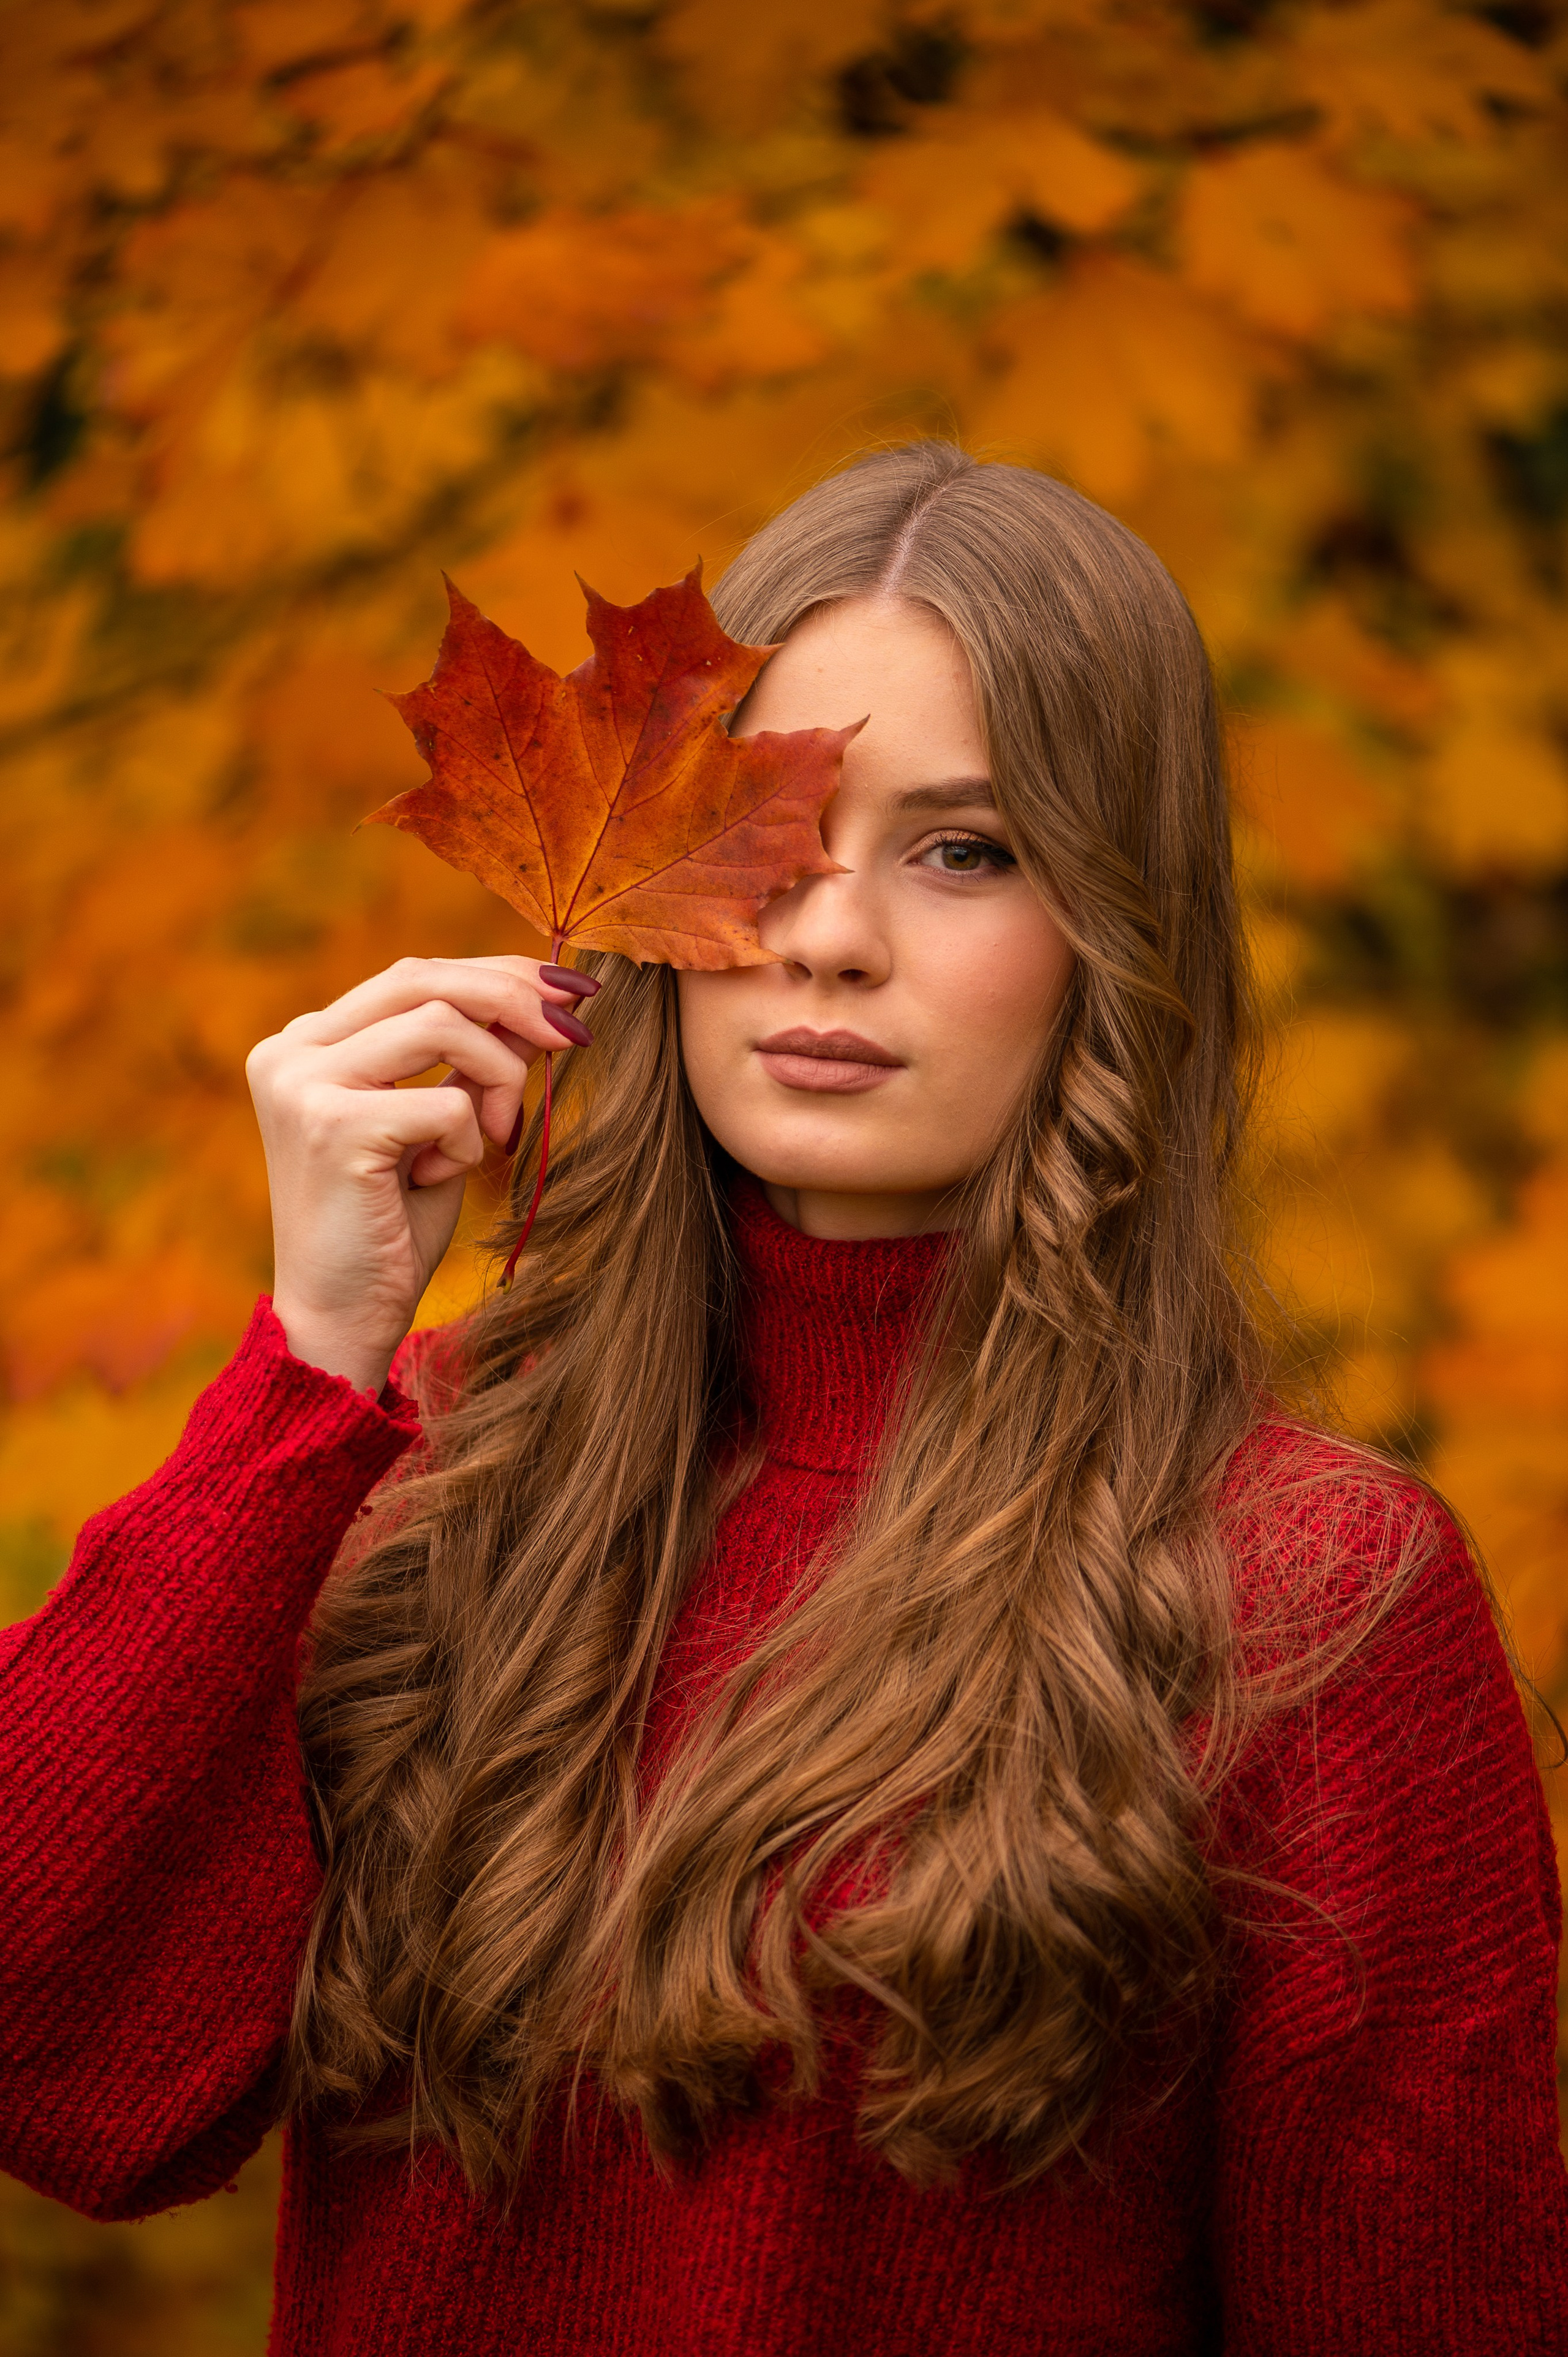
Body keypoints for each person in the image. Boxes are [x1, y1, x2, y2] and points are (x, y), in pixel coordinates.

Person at [2, 443, 1564, 2356]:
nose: (831, 932)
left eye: (965, 850)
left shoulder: (1310, 1590)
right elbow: (59, 2075)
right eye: (781, 833)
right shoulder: (420, 1472)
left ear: (1114, 936)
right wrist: (313, 1357)